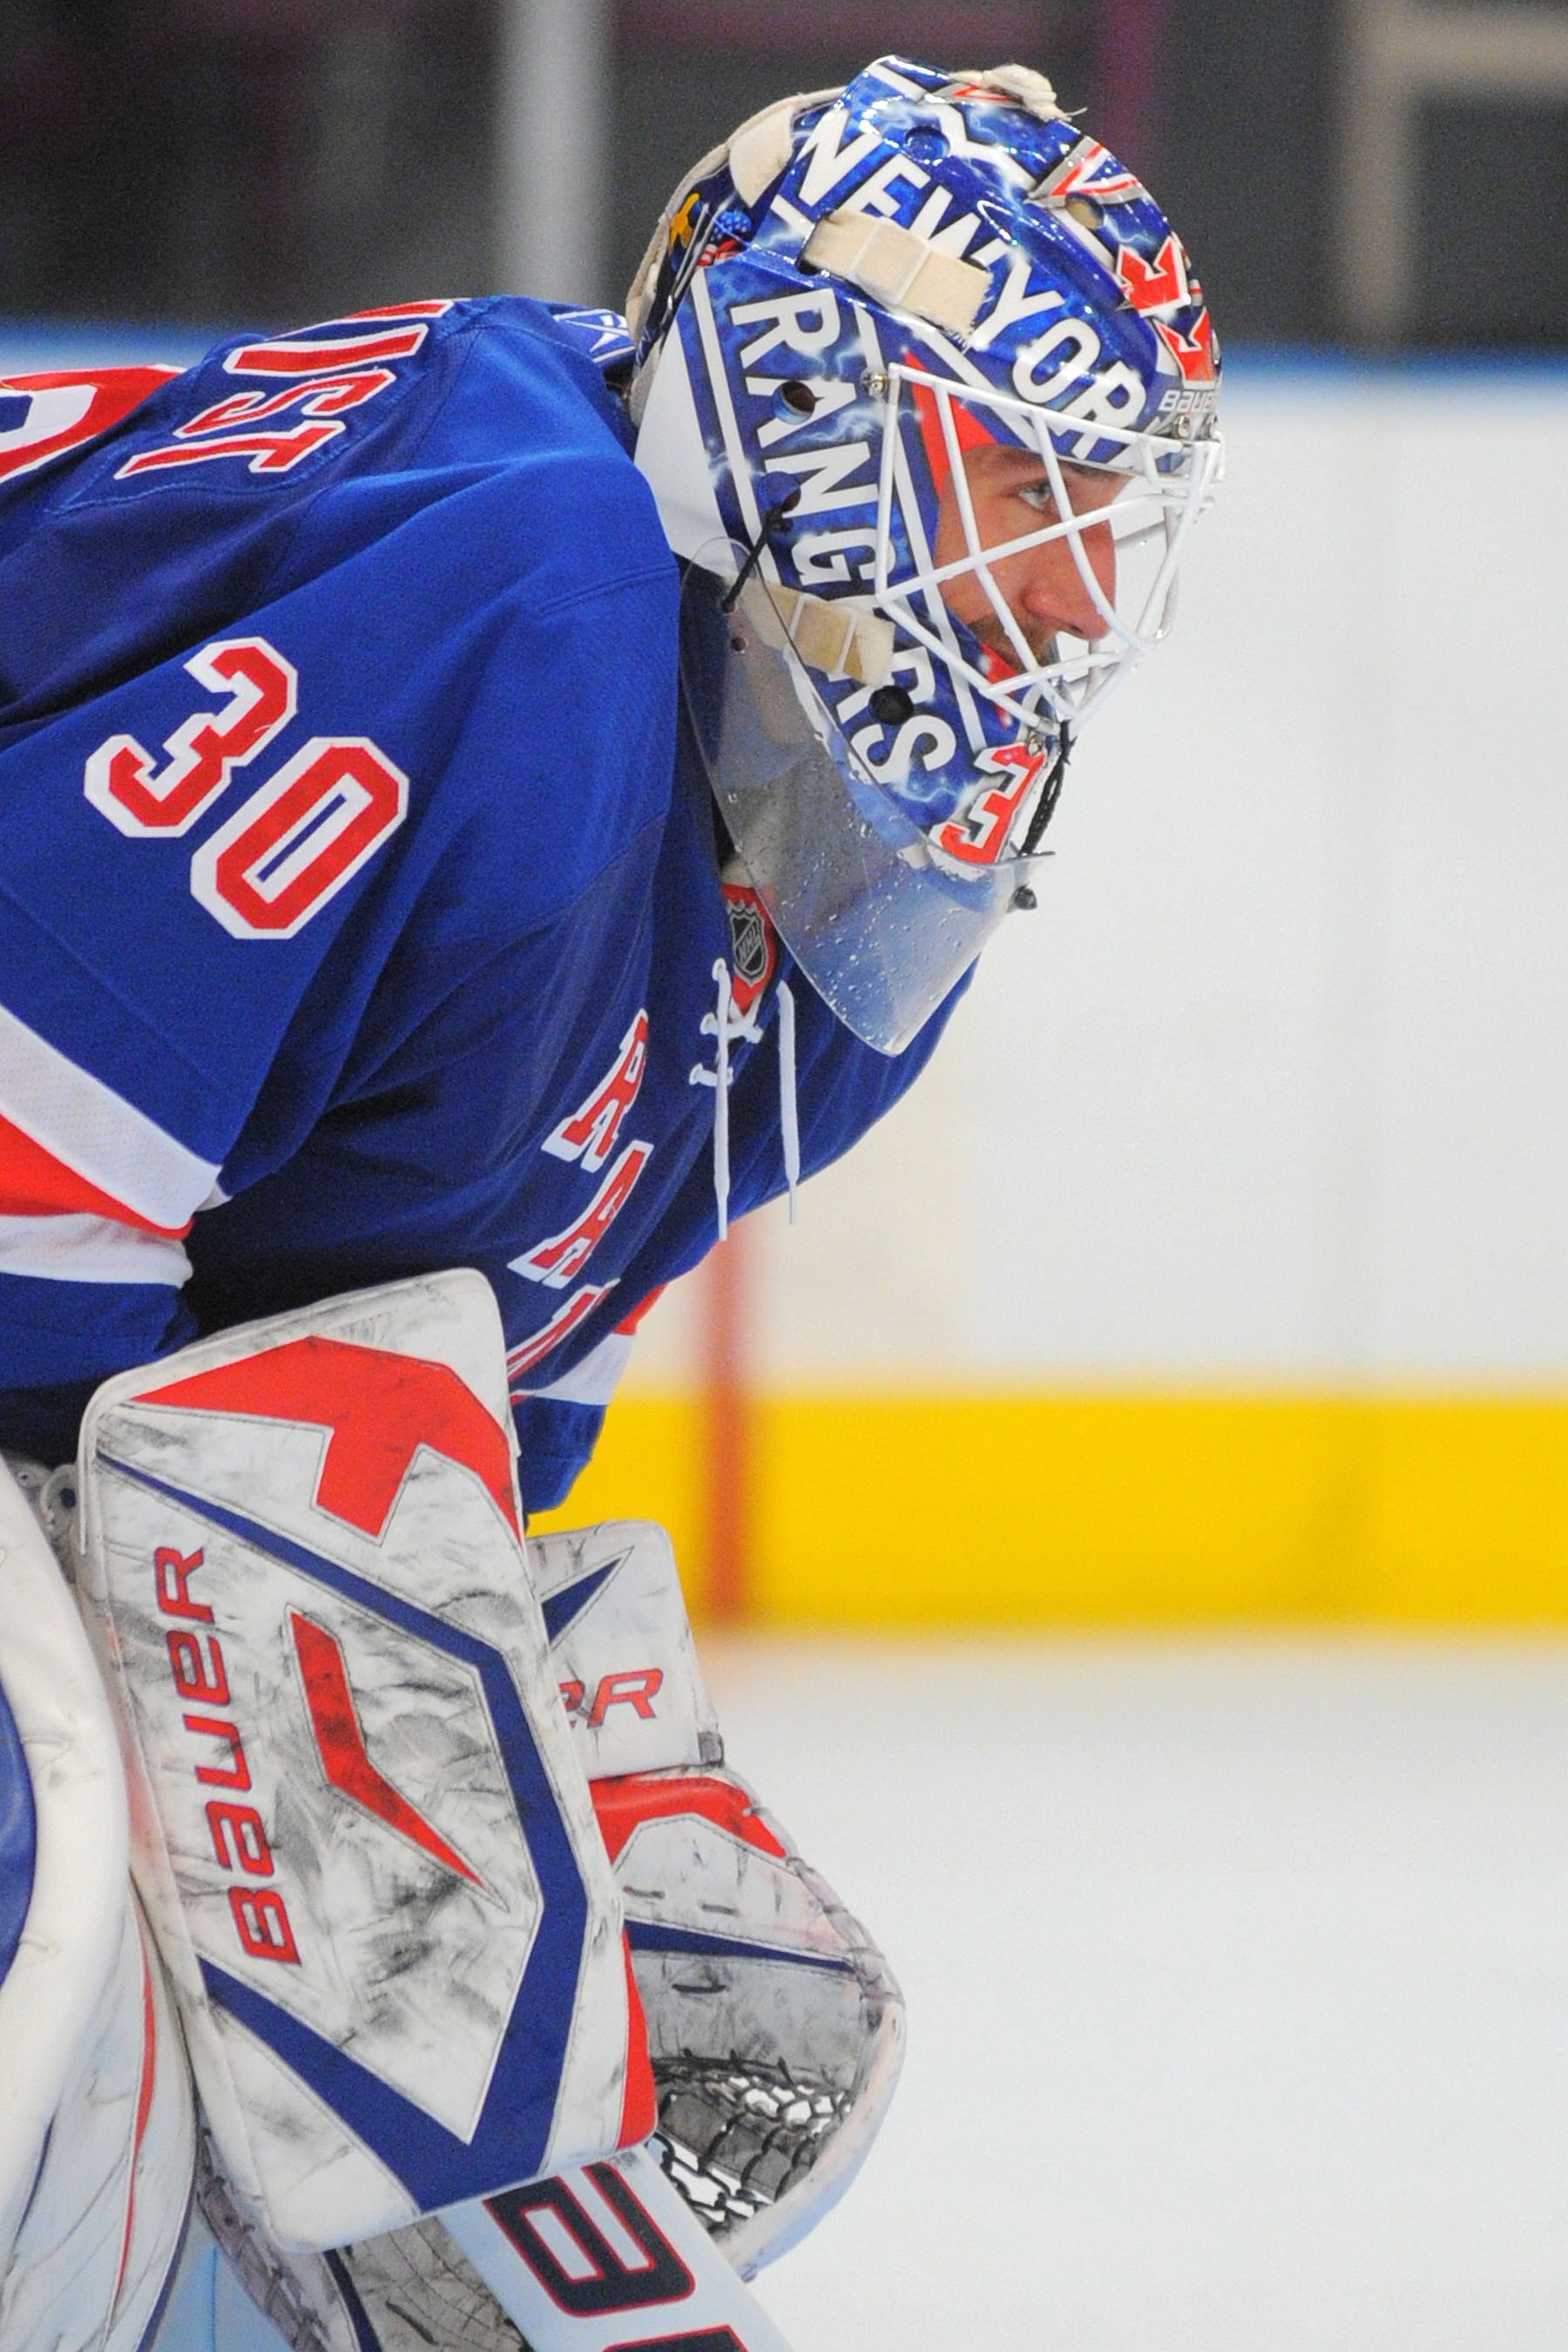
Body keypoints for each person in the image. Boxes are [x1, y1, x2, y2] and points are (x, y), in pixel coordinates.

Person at [0, 53, 1221, 2352]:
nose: (1066, 592)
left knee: (666, 2001)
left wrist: (447, 1796)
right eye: (1015, 481)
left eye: (1108, 515)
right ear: (810, 411)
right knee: (36, 1874)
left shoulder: (838, 935)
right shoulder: (526, 569)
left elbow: (392, 1413)